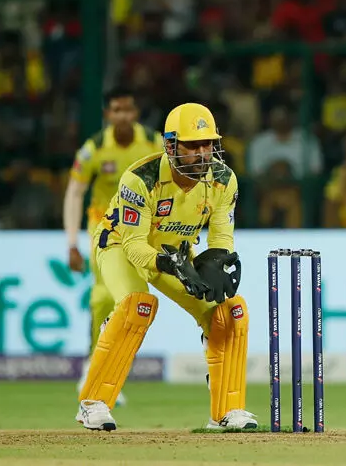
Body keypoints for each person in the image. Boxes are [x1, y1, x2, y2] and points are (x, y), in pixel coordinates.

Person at [75, 103, 255, 432]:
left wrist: (217, 260)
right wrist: (165, 262)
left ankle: (227, 411)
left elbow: (221, 236)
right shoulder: (140, 179)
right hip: (119, 245)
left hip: (175, 252)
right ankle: (93, 404)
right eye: (192, 145)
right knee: (136, 306)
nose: (202, 154)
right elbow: (134, 245)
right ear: (171, 146)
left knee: (228, 313)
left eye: (207, 144)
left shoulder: (223, 179)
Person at [63, 87, 163, 407]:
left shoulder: (153, 142)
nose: (123, 116)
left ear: (136, 113)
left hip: (143, 229)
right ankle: (95, 366)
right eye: (116, 110)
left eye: (128, 110)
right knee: (103, 297)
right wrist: (71, 243)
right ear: (107, 114)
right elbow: (75, 192)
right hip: (103, 227)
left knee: (132, 300)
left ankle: (109, 369)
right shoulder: (94, 149)